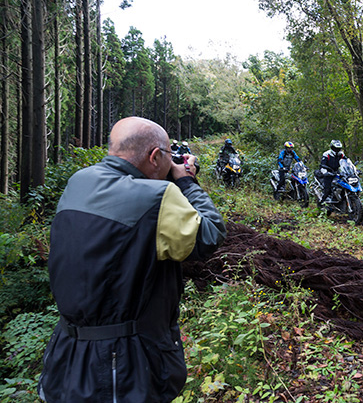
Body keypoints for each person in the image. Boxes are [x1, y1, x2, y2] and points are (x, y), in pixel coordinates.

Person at [38, 117, 227, 402]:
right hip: (124, 364)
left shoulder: (79, 181)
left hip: (66, 353)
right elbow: (210, 234)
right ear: (154, 156)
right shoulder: (158, 196)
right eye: (166, 156)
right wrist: (186, 180)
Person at [319, 139, 345, 205]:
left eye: (338, 148)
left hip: (337, 172)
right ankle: (322, 202)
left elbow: (346, 162)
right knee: (327, 188)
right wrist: (325, 172)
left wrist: (353, 169)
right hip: (328, 172)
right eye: (335, 148)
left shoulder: (341, 154)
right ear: (332, 147)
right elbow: (322, 165)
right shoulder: (326, 154)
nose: (337, 150)